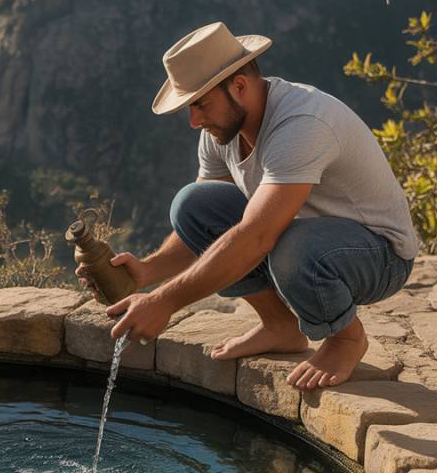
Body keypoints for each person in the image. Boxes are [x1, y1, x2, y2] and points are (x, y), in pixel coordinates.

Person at [78, 21, 419, 390]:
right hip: (299, 239)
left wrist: (164, 301)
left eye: (200, 105)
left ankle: (346, 339)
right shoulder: (223, 128)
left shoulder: (301, 124)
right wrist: (147, 271)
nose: (194, 121)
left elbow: (257, 236)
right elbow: (206, 226)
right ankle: (280, 326)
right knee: (192, 204)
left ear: (238, 86)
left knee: (289, 247)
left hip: (378, 254)